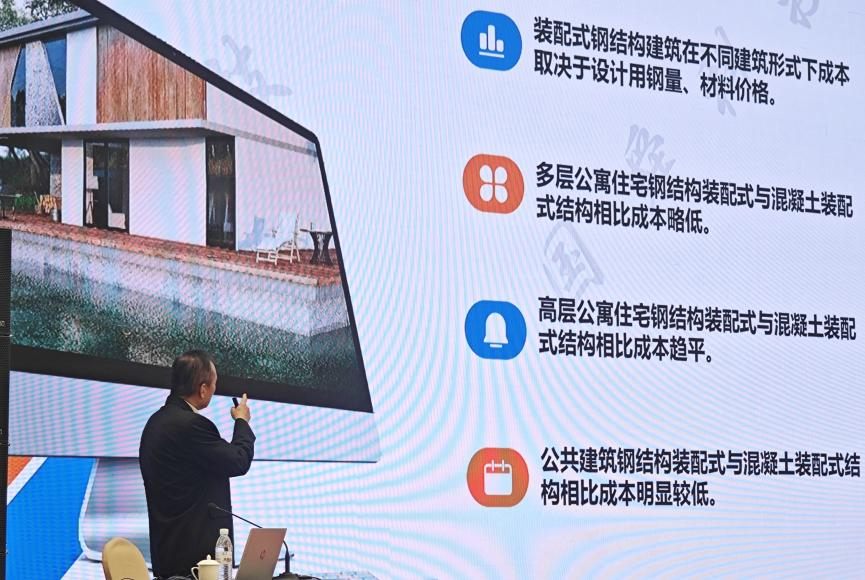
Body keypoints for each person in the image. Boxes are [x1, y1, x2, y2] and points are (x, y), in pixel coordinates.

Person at [139, 350, 255, 579]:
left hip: (168, 553)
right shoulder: (191, 425)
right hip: (194, 561)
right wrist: (242, 421)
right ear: (202, 389)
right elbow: (238, 460)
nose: (214, 389)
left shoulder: (155, 422)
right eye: (214, 384)